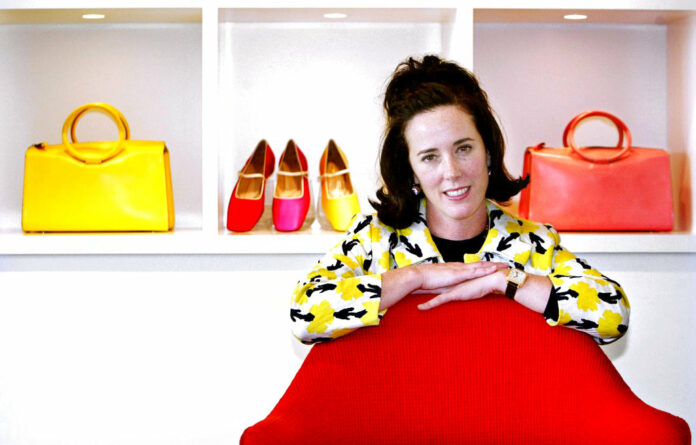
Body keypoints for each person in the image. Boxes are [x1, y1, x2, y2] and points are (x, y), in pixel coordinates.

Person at [290, 54, 630, 345]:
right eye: (429, 157)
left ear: (488, 152)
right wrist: (414, 278)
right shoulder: (374, 239)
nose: (451, 172)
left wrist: (506, 280)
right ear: (410, 171)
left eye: (463, 149)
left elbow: (615, 314)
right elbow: (303, 316)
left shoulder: (533, 243)